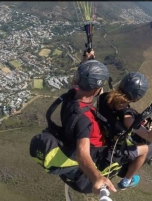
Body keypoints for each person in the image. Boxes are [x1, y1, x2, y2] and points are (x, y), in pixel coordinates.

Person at [59, 50, 117, 194]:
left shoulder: (70, 97)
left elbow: (75, 82)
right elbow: (82, 153)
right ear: (97, 90)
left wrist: (86, 63)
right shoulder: (84, 119)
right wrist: (97, 177)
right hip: (97, 152)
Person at [97, 72, 152, 190]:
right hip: (117, 146)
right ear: (137, 97)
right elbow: (150, 137)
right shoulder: (128, 118)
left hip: (106, 132)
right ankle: (126, 181)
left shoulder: (105, 97)